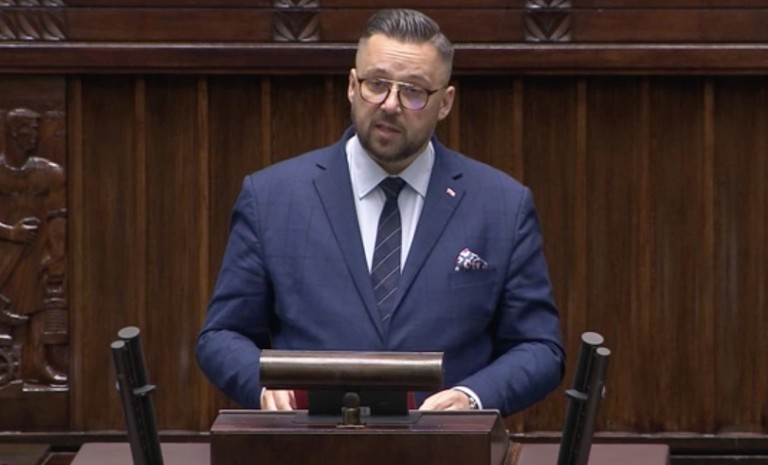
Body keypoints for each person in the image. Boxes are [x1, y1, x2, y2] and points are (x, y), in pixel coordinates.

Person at [196, 8, 564, 416]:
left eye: (413, 91)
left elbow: (539, 347)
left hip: (442, 442)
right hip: (309, 439)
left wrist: (473, 397)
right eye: (376, 85)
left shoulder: (501, 205)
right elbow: (222, 335)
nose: (390, 105)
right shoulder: (272, 197)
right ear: (352, 86)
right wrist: (264, 386)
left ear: (445, 103)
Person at [0, 107, 68, 386]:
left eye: (37, 132)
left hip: (35, 252)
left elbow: (58, 216)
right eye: (30, 131)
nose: (35, 138)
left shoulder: (48, 173)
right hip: (6, 253)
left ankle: (36, 362)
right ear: (14, 133)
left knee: (39, 304)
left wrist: (57, 254)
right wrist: (10, 232)